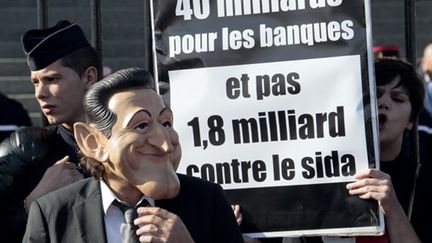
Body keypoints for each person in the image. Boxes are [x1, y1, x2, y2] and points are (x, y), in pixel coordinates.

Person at [23, 67, 244, 243]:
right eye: (141, 126)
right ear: (94, 142)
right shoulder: (52, 213)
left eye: (166, 123)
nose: (165, 143)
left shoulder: (207, 201)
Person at [0, 20, 101, 242]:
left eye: (51, 79)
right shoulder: (26, 152)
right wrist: (34, 203)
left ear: (89, 77)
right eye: (35, 82)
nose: (40, 93)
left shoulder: (129, 142)